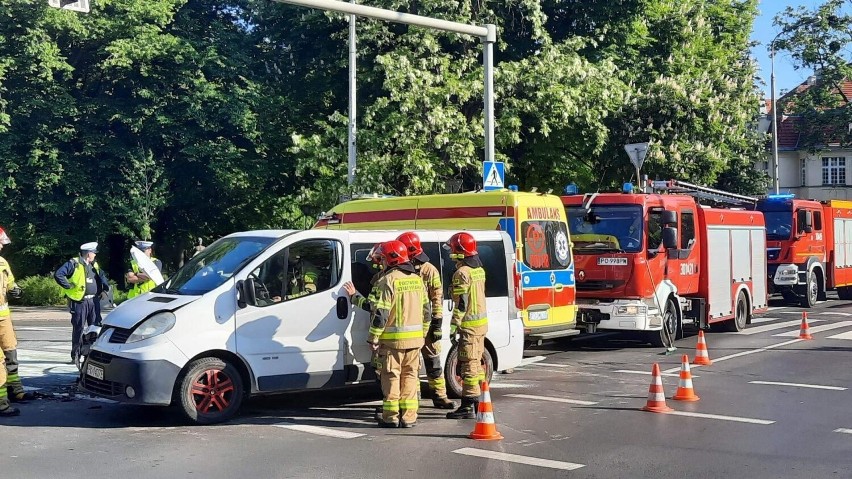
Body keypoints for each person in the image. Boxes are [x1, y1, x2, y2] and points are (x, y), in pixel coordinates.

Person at [368, 240, 427, 428]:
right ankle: (409, 417)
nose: (382, 262)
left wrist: (373, 338)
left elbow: (381, 314)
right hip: (415, 341)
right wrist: (423, 334)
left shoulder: (388, 281)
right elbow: (427, 311)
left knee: (391, 377)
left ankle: (391, 417)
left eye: (383, 258)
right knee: (410, 377)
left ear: (391, 259)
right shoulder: (417, 279)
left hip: (393, 343)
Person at [397, 232, 455, 410]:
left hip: (427, 324)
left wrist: (437, 324)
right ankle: (413, 401)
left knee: (434, 363)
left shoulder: (429, 270)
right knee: (411, 367)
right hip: (410, 325)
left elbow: (437, 298)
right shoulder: (400, 270)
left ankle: (440, 397)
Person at [445, 232, 488, 420]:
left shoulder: (462, 273)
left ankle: (468, 406)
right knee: (477, 364)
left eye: (453, 248)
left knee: (468, 366)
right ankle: (478, 402)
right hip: (480, 326)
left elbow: (461, 303)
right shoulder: (479, 270)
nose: (450, 252)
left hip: (468, 327)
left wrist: (454, 325)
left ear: (460, 251)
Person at [54, 242, 109, 364]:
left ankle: (93, 356)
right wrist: (68, 286)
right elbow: (59, 274)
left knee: (95, 328)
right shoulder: (74, 263)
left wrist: (104, 289)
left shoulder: (94, 265)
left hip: (94, 301)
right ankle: (76, 355)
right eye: (94, 253)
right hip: (80, 301)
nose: (95, 255)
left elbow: (101, 277)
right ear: (88, 253)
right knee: (79, 328)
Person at [0, 227, 32, 417]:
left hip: (4, 318)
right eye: (0, 242)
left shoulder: (2, 263)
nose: (3, 245)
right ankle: (2, 403)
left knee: (11, 353)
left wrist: (16, 291)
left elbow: (11, 284)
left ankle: (16, 391)